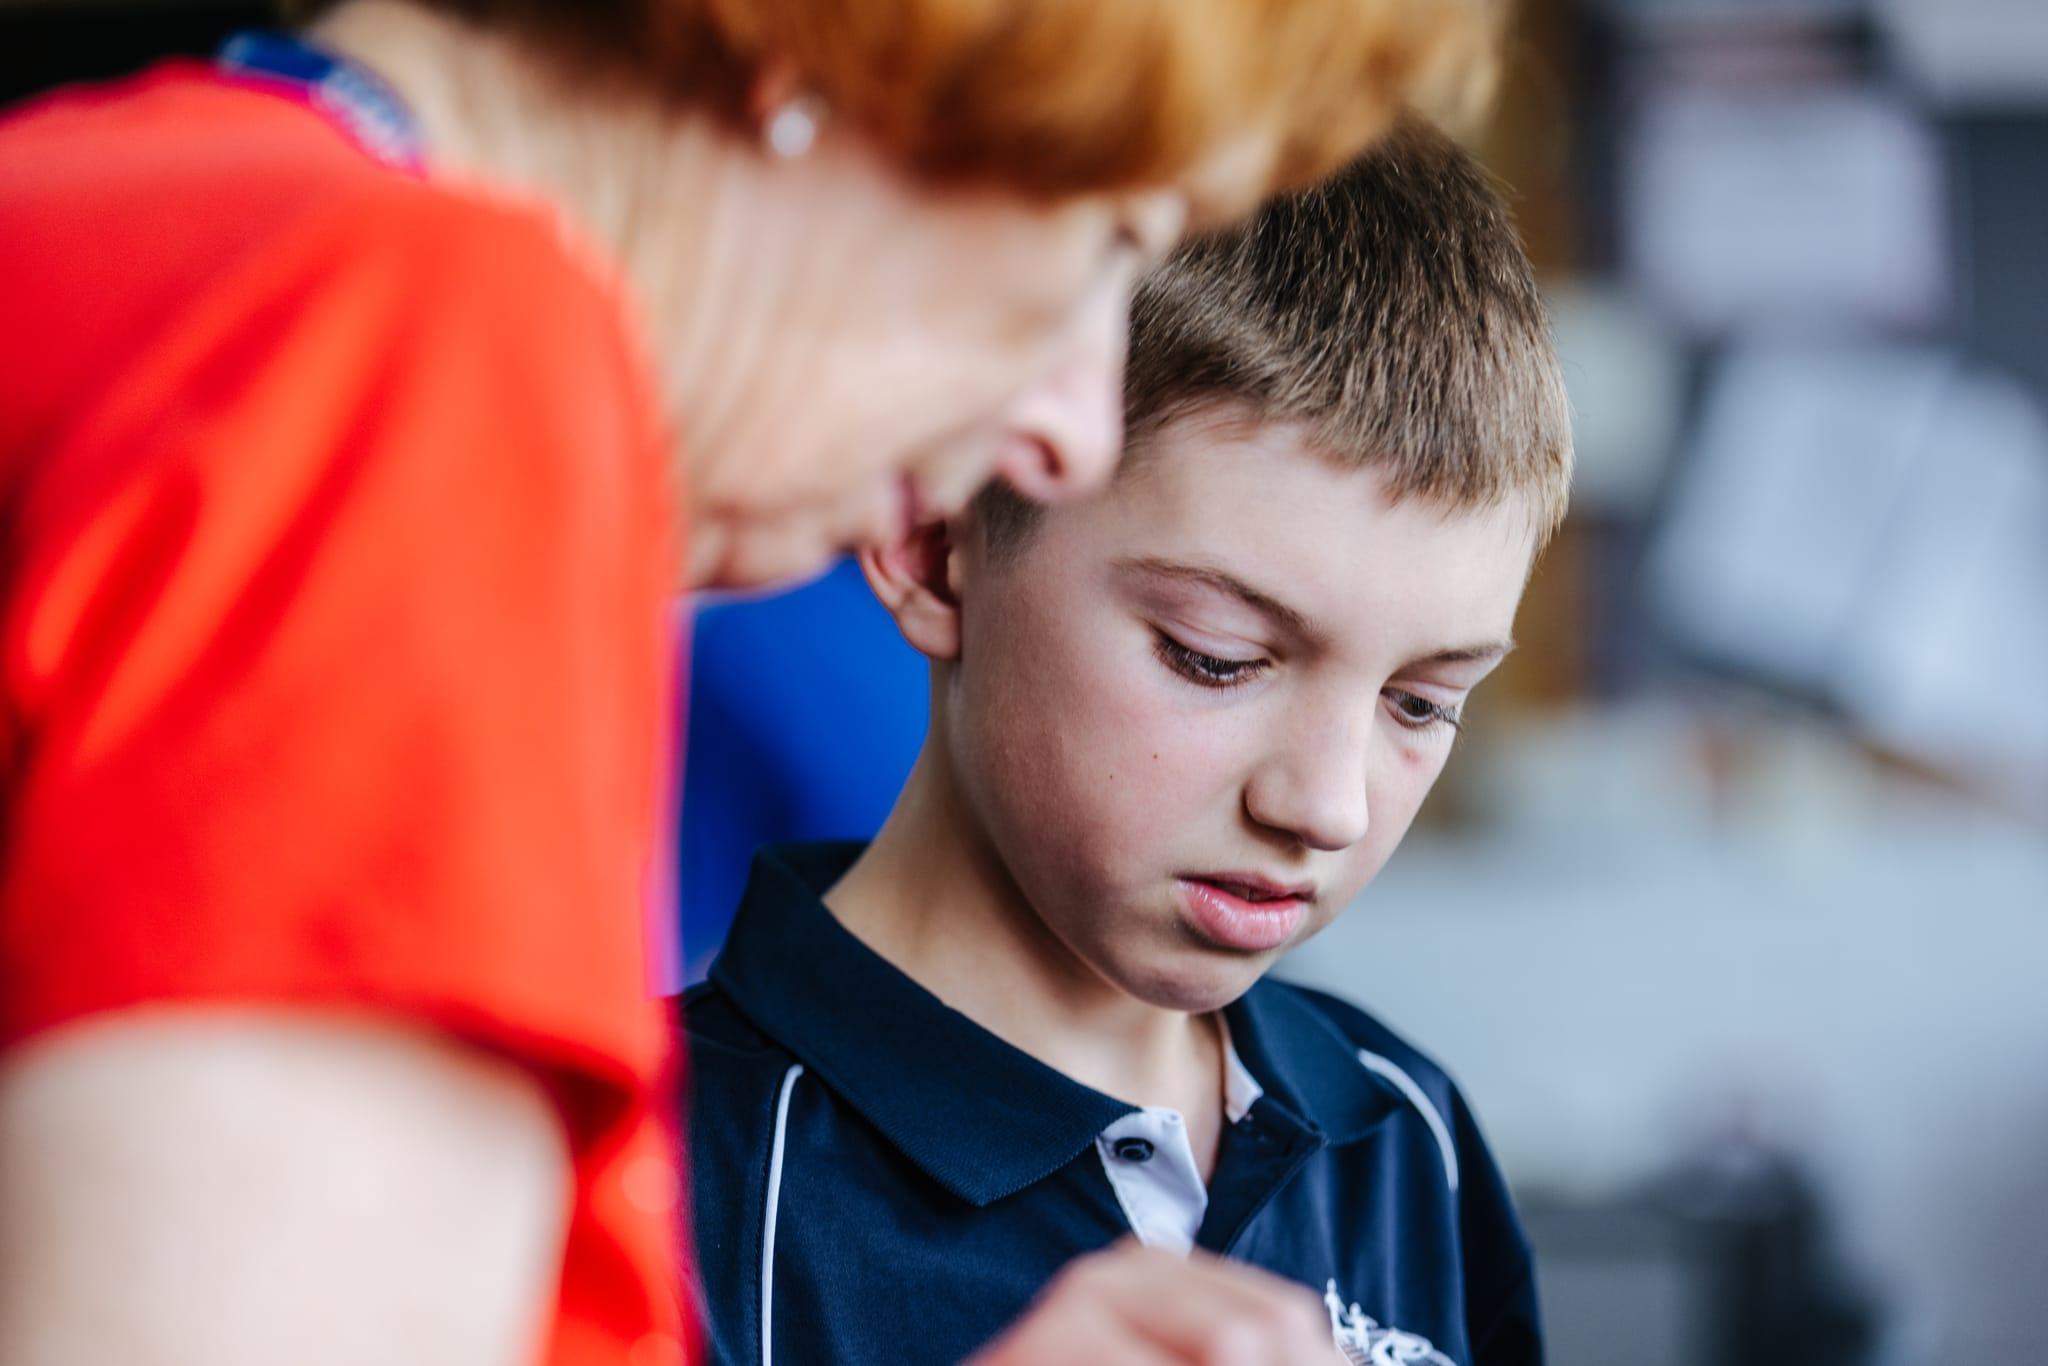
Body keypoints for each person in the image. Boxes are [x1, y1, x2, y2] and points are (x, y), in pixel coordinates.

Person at [0, 1, 1503, 1362]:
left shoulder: (127, 222)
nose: (1066, 427)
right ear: (829, 59)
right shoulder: (405, 342)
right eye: (1103, 237)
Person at [683, 117, 1574, 1366]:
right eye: (1215, 655)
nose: (1326, 806)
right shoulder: (661, 1174)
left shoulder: (1406, 1136)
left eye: (1419, 703)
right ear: (934, 548)